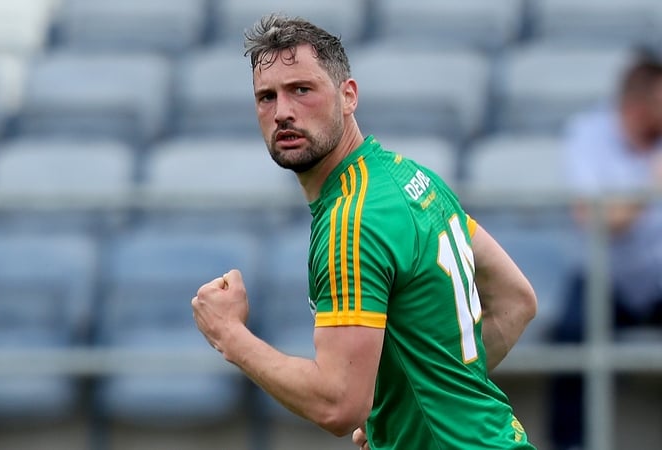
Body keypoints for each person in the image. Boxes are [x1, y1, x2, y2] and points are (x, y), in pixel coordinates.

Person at [191, 14, 538, 449]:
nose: (283, 112)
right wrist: (402, 414)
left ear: (348, 95)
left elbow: (337, 405)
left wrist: (230, 336)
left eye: (302, 89)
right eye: (266, 97)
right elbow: (516, 301)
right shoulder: (410, 177)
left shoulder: (352, 221)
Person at [550, 54, 662, 450]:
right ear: (637, 104)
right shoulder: (590, 134)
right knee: (571, 336)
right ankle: (570, 445)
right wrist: (648, 188)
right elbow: (593, 216)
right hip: (605, 277)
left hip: (657, 277)